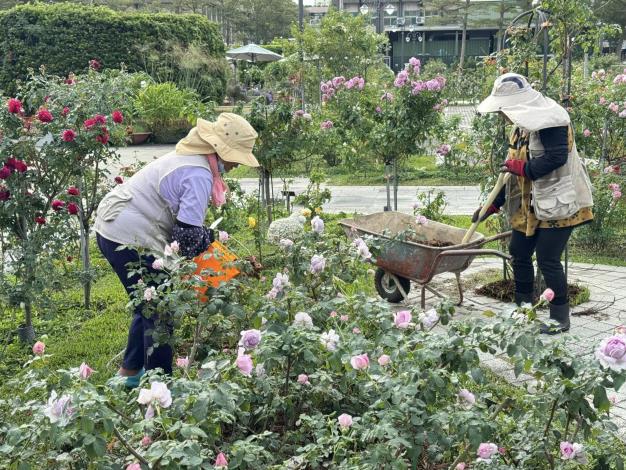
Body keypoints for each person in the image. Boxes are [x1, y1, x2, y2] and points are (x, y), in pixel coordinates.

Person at [94, 113, 259, 385]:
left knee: (148, 302)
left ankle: (130, 373)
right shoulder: (199, 174)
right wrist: (215, 244)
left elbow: (184, 231)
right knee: (160, 311)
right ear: (222, 150)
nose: (237, 164)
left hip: (113, 227)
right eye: (237, 157)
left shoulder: (194, 158)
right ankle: (161, 387)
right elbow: (185, 238)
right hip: (128, 235)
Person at [473, 73, 594, 335]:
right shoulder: (520, 127)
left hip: (558, 204)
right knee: (519, 251)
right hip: (528, 207)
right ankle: (523, 309)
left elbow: (556, 158)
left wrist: (523, 167)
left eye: (504, 109)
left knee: (548, 259)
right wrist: (493, 204)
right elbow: (510, 173)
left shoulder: (552, 120)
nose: (502, 115)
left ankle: (559, 318)